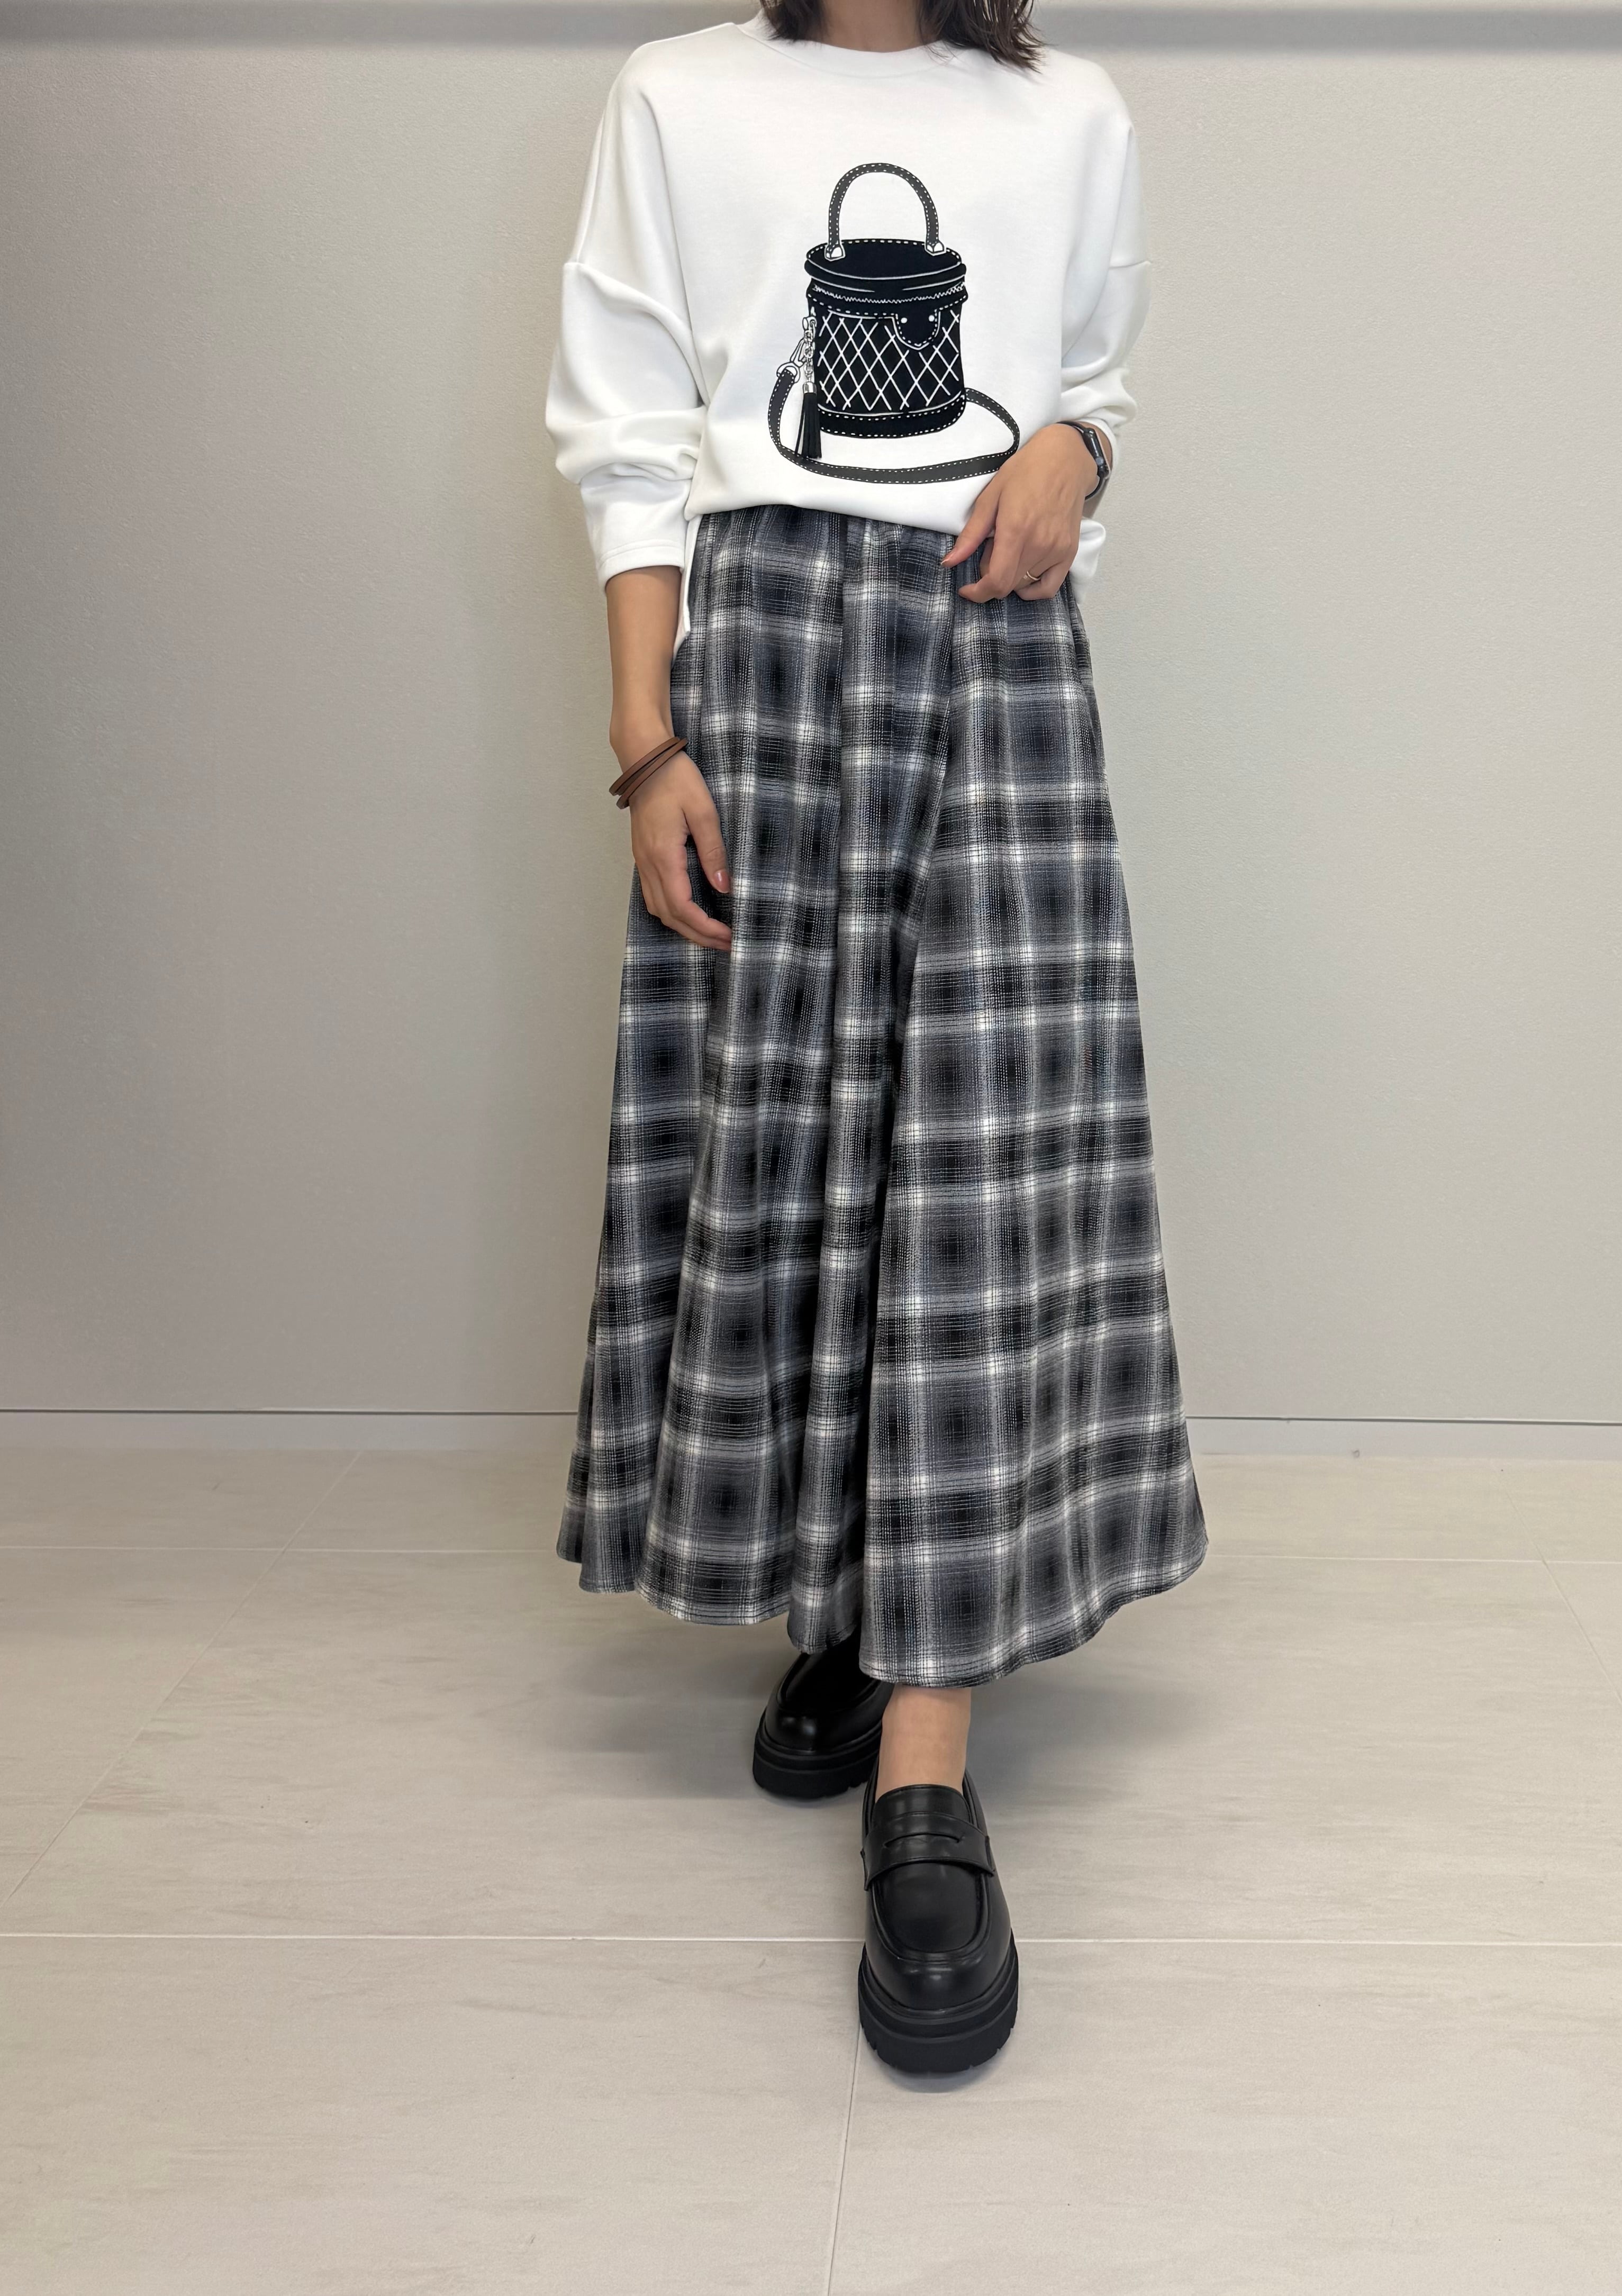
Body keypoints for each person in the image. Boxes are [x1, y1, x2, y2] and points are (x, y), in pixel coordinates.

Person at [545, 0, 1207, 2075]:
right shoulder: (679, 91)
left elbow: (1088, 390)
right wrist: (646, 740)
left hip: (987, 644)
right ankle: (852, 1596)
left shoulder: (1065, 110)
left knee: (978, 1166)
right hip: (751, 646)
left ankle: (925, 1748)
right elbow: (629, 427)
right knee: (793, 1142)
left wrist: (1078, 449)